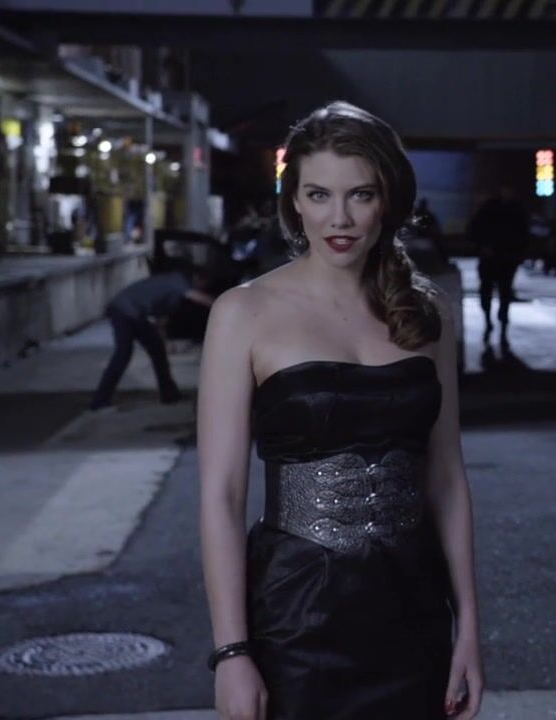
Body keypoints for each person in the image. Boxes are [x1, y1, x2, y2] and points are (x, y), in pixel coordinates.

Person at [197, 101, 484, 720]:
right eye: (319, 194)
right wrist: (231, 652)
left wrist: (468, 629)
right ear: (294, 203)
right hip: (294, 619)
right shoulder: (243, 313)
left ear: (389, 200)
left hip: (413, 612)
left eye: (361, 194)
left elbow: (446, 478)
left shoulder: (427, 312)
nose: (340, 218)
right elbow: (221, 494)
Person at [88, 263, 216, 410]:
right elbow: (197, 297)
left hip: (136, 315)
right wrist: (222, 304)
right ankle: (99, 401)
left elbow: (161, 321)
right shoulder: (178, 280)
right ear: (197, 278)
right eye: (203, 284)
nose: (202, 288)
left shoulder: (175, 296)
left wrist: (165, 343)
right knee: (122, 354)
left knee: (158, 352)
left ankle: (169, 394)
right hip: (124, 310)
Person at [468, 186, 529, 343]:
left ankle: (490, 321)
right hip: (505, 257)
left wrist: (481, 247)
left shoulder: (488, 209)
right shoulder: (513, 210)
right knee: (504, 292)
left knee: (488, 291)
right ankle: (500, 323)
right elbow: (523, 234)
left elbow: (473, 231)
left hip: (492, 257)